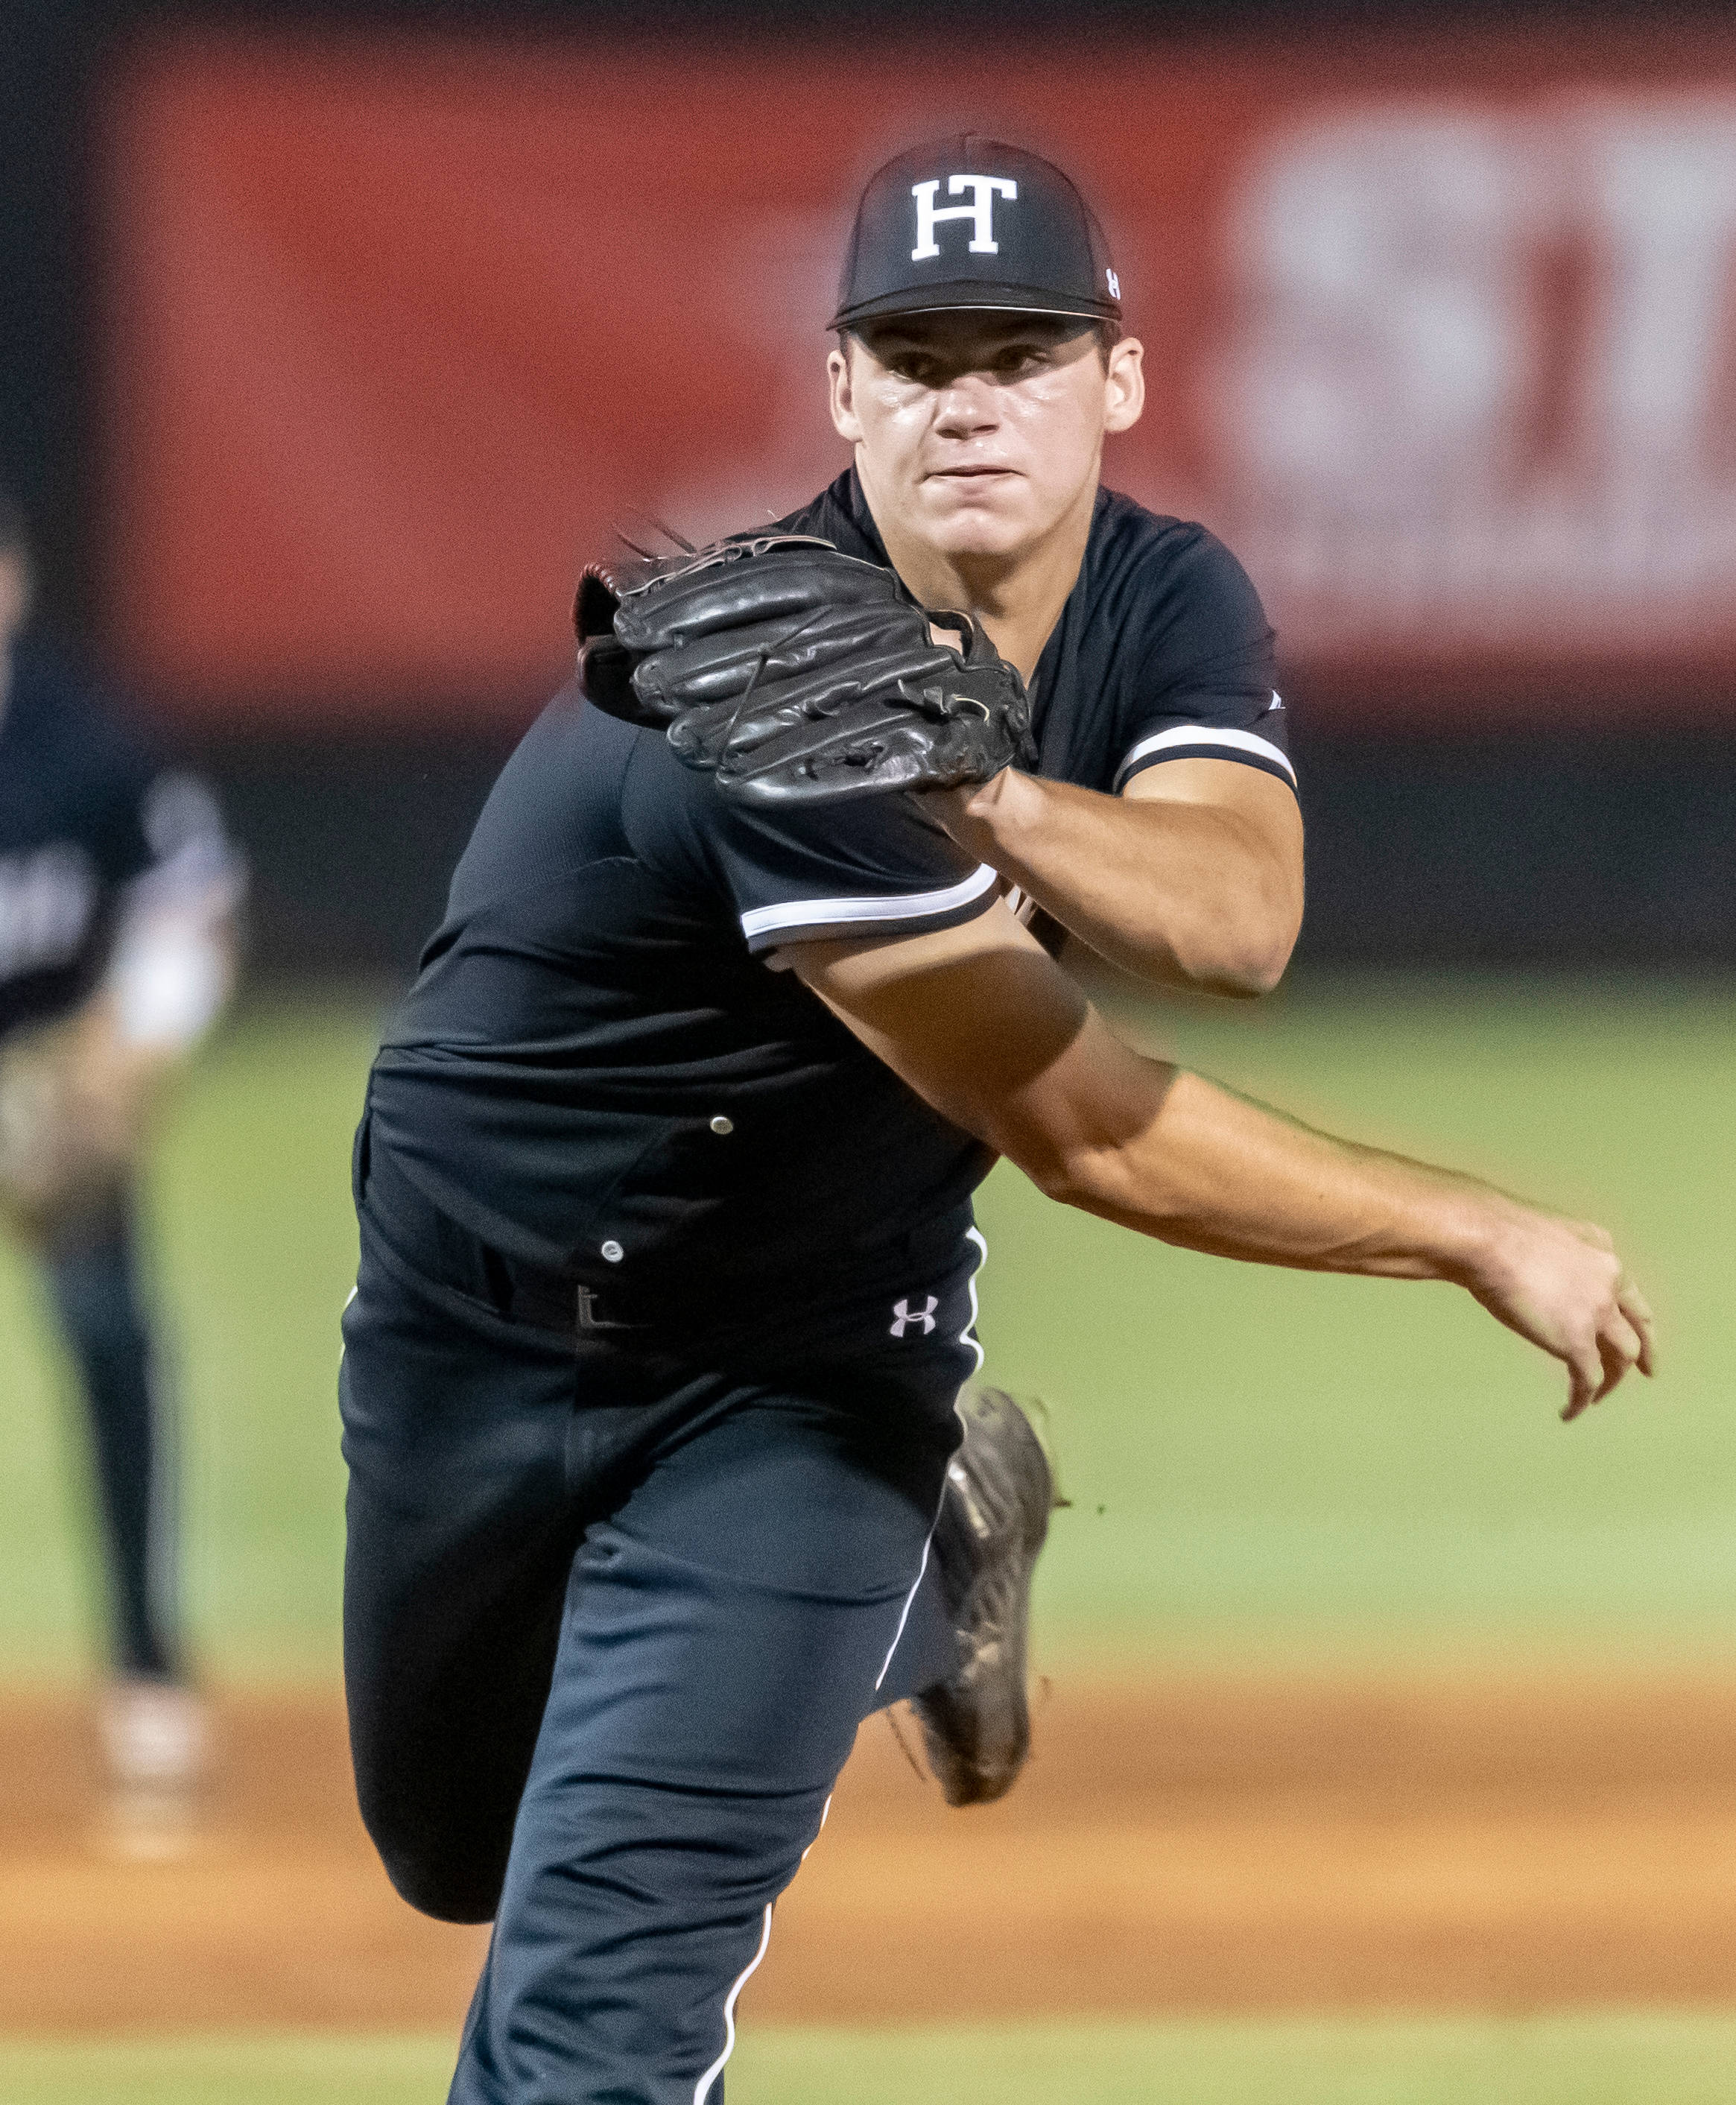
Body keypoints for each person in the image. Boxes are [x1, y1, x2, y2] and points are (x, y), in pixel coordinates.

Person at [340, 139, 1653, 2103]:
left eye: (1020, 352)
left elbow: (1237, 918)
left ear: (1117, 379)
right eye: (917, 350)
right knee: (456, 1852)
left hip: (802, 1372)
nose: (968, 398)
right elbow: (1080, 1126)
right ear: (843, 384)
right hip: (487, 1322)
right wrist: (1472, 1225)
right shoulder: (749, 680)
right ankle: (938, 1562)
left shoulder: (1160, 591)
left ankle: (882, 1525)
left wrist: (999, 801)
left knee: (593, 2014)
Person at [0, 484, 242, 1811]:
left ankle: (145, 1664)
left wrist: (119, 1068)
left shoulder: (84, 742)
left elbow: (190, 910)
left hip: (51, 1081)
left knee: (106, 1337)